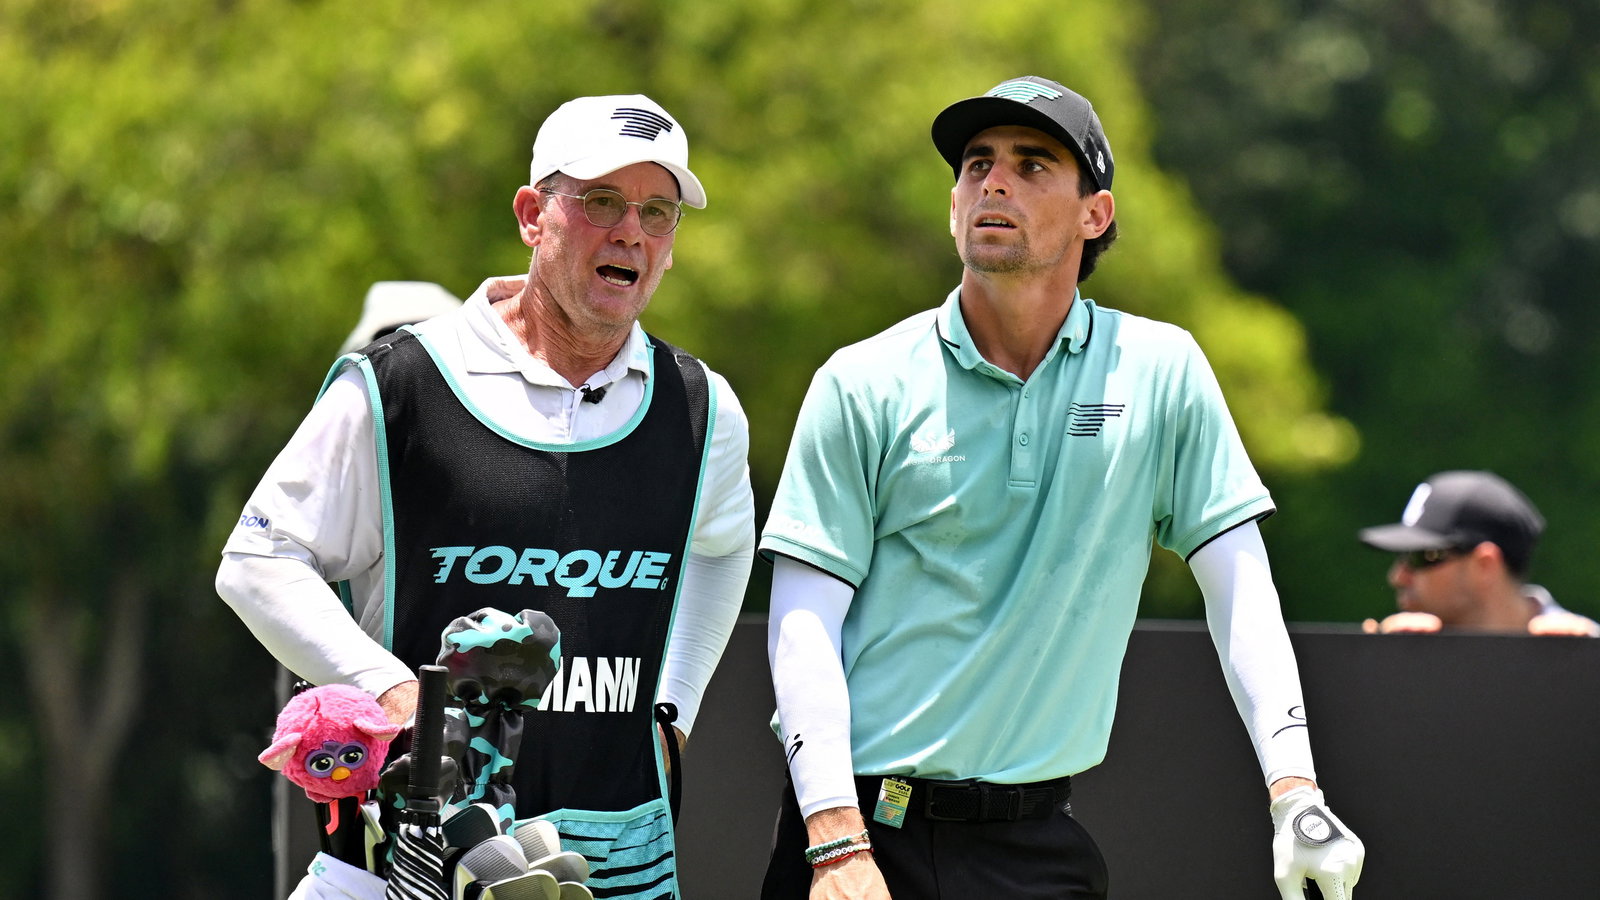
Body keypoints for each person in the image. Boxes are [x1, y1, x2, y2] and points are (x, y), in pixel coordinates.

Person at [760, 76, 1364, 899]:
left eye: (1032, 163)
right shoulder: (860, 381)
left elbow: (1242, 590)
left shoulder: (1163, 370)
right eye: (976, 164)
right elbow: (802, 623)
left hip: (1037, 847)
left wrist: (1295, 789)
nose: (993, 182)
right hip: (862, 835)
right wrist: (834, 842)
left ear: (1096, 215)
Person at [218, 93, 755, 899]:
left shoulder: (701, 407)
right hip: (412, 861)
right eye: (601, 202)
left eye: (658, 212)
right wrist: (392, 691)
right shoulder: (403, 383)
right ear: (533, 215)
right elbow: (258, 558)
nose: (631, 232)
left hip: (621, 860)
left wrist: (672, 710)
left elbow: (722, 547)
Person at [1358, 470, 1597, 636]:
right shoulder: (1403, 657)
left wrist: (1582, 669)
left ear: (1485, 564)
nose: (1398, 576)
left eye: (1423, 556)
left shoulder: (1584, 650)